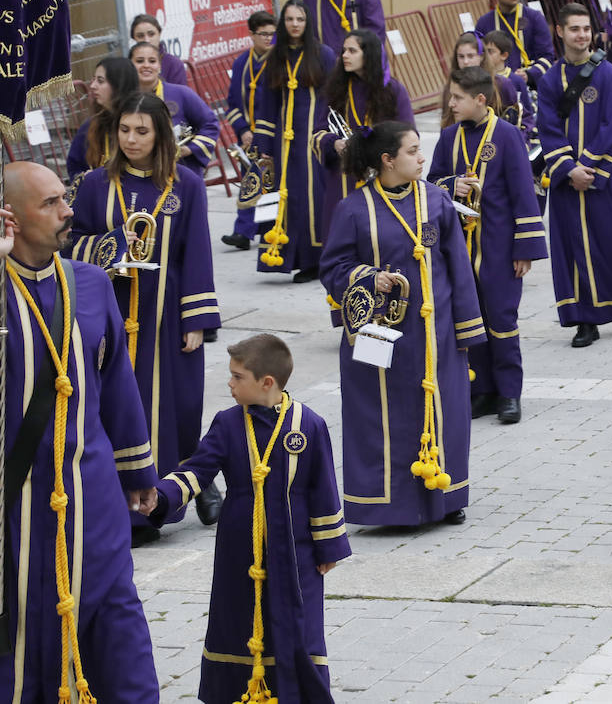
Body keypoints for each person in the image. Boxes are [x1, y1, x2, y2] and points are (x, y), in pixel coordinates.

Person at [0, 161, 159, 702]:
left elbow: (117, 382)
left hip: (93, 491)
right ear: (10, 218)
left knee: (116, 608)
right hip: (16, 503)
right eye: (49, 204)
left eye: (63, 197)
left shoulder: (90, 284)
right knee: (25, 617)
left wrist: (137, 471)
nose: (68, 211)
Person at [146, 334, 350, 704]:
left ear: (266, 382)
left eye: (237, 377)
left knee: (297, 623)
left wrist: (328, 546)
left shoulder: (309, 425)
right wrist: (160, 496)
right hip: (240, 547)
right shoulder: (227, 423)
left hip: (296, 548)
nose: (229, 383)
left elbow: (324, 487)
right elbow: (197, 470)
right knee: (236, 619)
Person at [69, 92, 222, 542]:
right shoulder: (96, 183)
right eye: (124, 130)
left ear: (160, 135)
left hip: (167, 311)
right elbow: (72, 242)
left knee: (177, 405)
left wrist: (196, 320)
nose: (131, 139)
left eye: (142, 131)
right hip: (109, 306)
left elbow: (197, 252)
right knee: (111, 404)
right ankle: (118, 509)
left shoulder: (186, 184)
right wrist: (109, 247)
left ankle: (169, 497)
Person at [319, 122, 484, 526]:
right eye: (412, 151)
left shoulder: (437, 200)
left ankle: (446, 499)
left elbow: (458, 267)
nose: (422, 158)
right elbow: (332, 269)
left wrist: (466, 328)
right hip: (382, 337)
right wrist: (366, 276)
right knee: (385, 417)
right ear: (387, 160)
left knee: (444, 410)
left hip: (437, 333)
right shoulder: (353, 208)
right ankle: (388, 506)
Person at [428, 67, 547, 424]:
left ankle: (510, 393)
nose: (451, 104)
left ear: (480, 99)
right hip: (460, 250)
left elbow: (524, 193)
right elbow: (432, 181)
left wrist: (525, 249)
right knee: (469, 319)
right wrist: (451, 185)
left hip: (498, 248)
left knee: (501, 319)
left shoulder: (508, 136)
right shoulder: (449, 137)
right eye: (451, 97)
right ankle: (481, 391)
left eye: (457, 98)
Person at [536, 3, 612, 346]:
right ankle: (585, 320)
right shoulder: (550, 80)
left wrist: (589, 169)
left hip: (607, 176)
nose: (581, 35)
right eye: (574, 29)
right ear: (560, 32)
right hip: (568, 181)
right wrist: (569, 169)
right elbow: (547, 128)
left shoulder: (609, 75)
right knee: (573, 250)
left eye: (586, 29)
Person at [257, 0, 336, 282]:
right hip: (284, 140)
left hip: (313, 136)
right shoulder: (274, 57)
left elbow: (334, 96)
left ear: (307, 22)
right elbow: (266, 102)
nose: (294, 25)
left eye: (299, 19)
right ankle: (291, 258)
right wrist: (265, 146)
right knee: (286, 198)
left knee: (313, 195)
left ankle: (317, 260)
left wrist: (332, 135)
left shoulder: (323, 55)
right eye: (289, 19)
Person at [315, 29, 414, 242]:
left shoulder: (393, 89)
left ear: (368, 54)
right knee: (341, 239)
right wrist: (335, 143)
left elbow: (409, 134)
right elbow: (318, 132)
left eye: (352, 51)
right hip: (344, 177)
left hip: (383, 175)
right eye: (343, 51)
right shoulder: (336, 89)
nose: (344, 56)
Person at [221, 9, 276, 251]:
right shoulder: (241, 63)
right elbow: (232, 103)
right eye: (263, 34)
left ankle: (266, 231)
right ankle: (242, 232)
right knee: (250, 183)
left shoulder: (279, 62)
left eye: (272, 34)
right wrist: (242, 129)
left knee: (270, 184)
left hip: (272, 135)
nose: (268, 39)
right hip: (249, 137)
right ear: (251, 35)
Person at [129, 41, 220, 176]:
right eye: (140, 61)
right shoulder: (123, 101)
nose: (146, 65)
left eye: (152, 61)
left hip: (183, 173)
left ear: (159, 66)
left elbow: (210, 124)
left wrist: (190, 149)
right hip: (139, 176)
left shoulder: (182, 94)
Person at [475, 0, 555, 86]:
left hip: (531, 86)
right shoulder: (484, 23)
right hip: (497, 86)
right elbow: (479, 59)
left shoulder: (535, 18)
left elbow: (547, 56)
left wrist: (529, 74)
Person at [66, 56, 139, 182]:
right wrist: (86, 178)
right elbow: (74, 167)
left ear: (118, 84)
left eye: (100, 81)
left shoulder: (144, 121)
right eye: (93, 80)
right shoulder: (90, 126)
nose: (92, 86)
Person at [130, 13, 187, 85]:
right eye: (140, 36)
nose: (147, 40)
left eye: (151, 34)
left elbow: (179, 94)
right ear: (134, 38)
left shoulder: (174, 64)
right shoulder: (128, 66)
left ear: (159, 34)